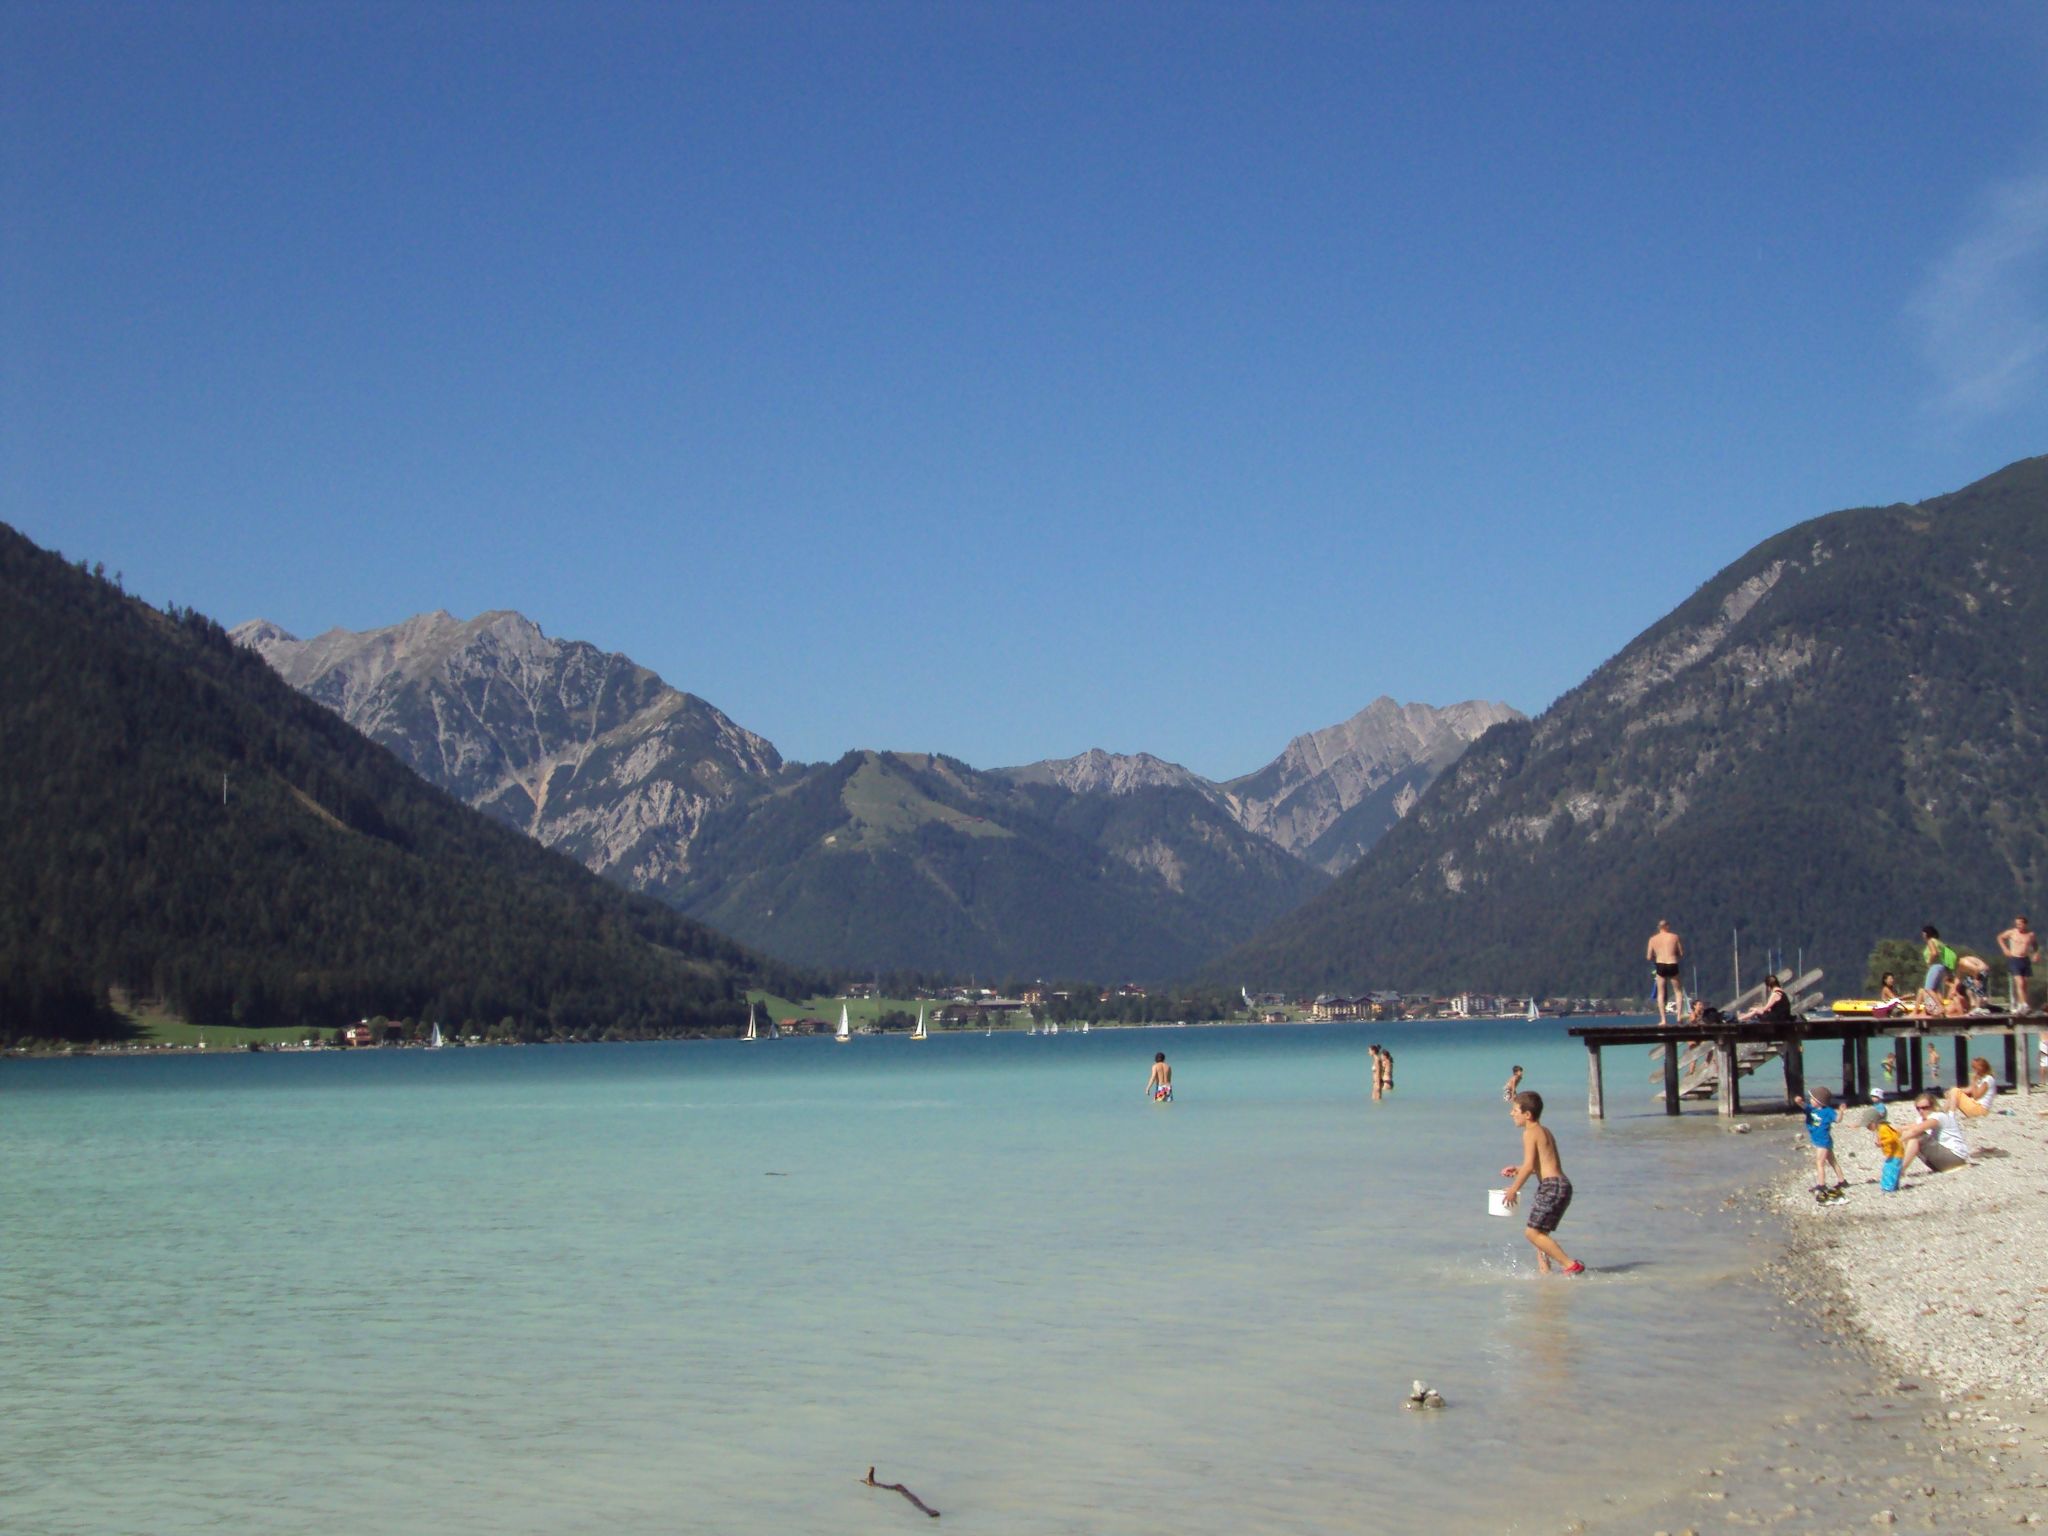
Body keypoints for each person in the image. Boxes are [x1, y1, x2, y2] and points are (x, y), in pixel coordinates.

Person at [1498, 1091, 1584, 1275]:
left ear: (1527, 1114)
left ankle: (1570, 1265)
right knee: (1540, 1234)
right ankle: (1545, 1272)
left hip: (1551, 1186)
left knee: (1532, 1233)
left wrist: (1513, 1189)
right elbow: (1541, 1164)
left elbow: (1530, 1167)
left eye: (1514, 1110)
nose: (1511, 1114)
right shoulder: (1544, 1131)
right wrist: (1517, 1169)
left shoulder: (1529, 1133)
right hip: (1561, 1185)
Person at [1897, 1093, 1971, 1176]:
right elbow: (1903, 1129)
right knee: (1908, 1134)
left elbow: (1915, 1131)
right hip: (1942, 1162)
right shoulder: (1922, 1120)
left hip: (1956, 1158)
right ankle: (1900, 1168)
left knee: (1916, 1136)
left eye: (1925, 1108)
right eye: (1918, 1108)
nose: (1921, 1111)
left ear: (1933, 1106)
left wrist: (1897, 1141)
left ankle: (1900, 1170)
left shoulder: (1939, 1116)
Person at [1797, 1085, 1848, 1197]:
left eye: (1813, 1099)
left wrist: (1841, 1112)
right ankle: (1842, 1181)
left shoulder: (1828, 1111)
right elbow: (1803, 1105)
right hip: (1819, 1140)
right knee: (1832, 1161)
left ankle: (1821, 1184)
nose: (1810, 1101)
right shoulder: (1811, 1109)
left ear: (1820, 1102)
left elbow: (1837, 1120)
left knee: (1820, 1163)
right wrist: (1799, 1101)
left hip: (1823, 1141)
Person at [1647, 920, 1686, 1023]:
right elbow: (1681, 953)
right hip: (1672, 963)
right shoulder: (1674, 937)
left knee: (1661, 993)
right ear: (1667, 926)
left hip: (1660, 965)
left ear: (1658, 927)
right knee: (1678, 991)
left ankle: (1663, 1019)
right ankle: (1678, 1016)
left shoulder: (1653, 939)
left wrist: (1657, 956)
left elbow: (1649, 956)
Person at [1997, 916, 2038, 1014]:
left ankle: (2021, 1004)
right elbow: (2000, 937)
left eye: (2020, 924)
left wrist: (2035, 953)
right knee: (2019, 982)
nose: (2018, 926)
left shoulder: (2030, 935)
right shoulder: (2012, 932)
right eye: (2017, 924)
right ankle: (2024, 1004)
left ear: (2025, 924)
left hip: (2025, 959)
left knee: (2025, 983)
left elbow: (2035, 944)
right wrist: (2005, 949)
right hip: (2015, 959)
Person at [1920, 926, 1956, 1015]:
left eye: (1923, 933)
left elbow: (1934, 953)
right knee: (1936, 990)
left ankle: (1940, 1008)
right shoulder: (1939, 942)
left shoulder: (1930, 941)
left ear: (1926, 934)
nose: (1922, 935)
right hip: (1942, 967)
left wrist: (1929, 962)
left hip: (1935, 966)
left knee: (1928, 988)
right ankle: (1942, 1008)